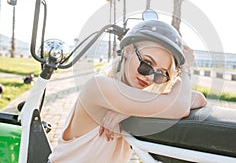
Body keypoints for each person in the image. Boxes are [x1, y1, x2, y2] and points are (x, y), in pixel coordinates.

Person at [48, 19, 207, 163]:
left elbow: (198, 99)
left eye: (160, 74)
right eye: (146, 64)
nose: (150, 77)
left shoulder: (139, 102)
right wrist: (184, 68)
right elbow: (181, 106)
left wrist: (131, 111)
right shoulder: (98, 86)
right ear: (128, 50)